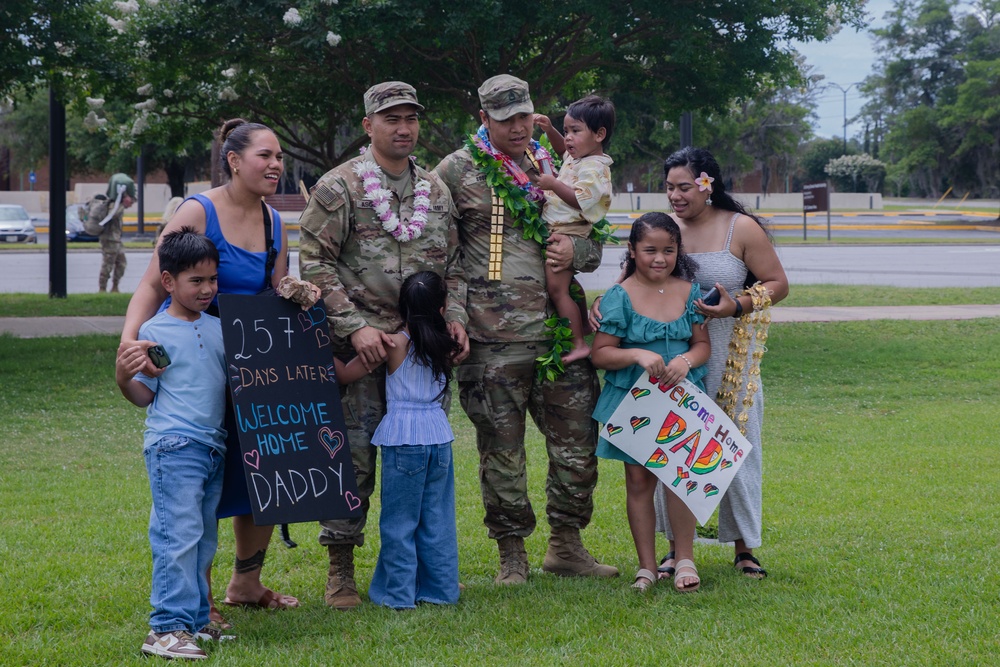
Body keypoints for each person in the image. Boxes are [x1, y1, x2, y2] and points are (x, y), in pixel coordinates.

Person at [434, 74, 617, 584]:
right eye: (505, 119)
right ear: (483, 119)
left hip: (560, 334)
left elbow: (591, 233)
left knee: (577, 445)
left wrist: (576, 252)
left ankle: (566, 545)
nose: (518, 128)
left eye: (524, 116)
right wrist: (451, 314)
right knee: (502, 452)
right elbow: (436, 250)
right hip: (489, 339)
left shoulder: (555, 162)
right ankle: (511, 554)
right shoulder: (454, 170)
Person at [119, 118, 298, 626]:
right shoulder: (197, 211)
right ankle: (199, 598)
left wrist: (302, 298)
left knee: (262, 470)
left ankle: (246, 581)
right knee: (201, 481)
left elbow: (278, 289)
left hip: (256, 365)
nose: (276, 165)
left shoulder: (275, 221)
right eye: (265, 155)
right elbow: (155, 283)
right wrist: (132, 341)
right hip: (202, 361)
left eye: (279, 156)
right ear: (234, 160)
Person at [298, 81, 467, 610]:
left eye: (411, 118)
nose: (403, 128)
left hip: (422, 354)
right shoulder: (339, 187)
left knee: (417, 463)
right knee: (352, 458)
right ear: (368, 125)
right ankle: (341, 570)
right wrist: (354, 327)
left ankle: (420, 570)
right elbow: (314, 263)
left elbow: (455, 267)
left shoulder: (436, 191)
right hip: (361, 351)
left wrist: (454, 319)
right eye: (390, 118)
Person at [593, 147, 789, 580]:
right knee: (670, 448)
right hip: (673, 360)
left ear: (708, 183)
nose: (676, 196)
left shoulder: (741, 228)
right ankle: (675, 551)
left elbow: (778, 284)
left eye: (684, 187)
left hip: (726, 352)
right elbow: (634, 278)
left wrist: (737, 304)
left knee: (733, 445)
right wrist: (599, 305)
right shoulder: (666, 230)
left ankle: (744, 547)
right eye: (669, 188)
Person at [115, 228, 228, 660]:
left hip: (213, 447)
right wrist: (125, 376)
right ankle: (164, 629)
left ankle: (196, 622)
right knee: (176, 536)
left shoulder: (219, 328)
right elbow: (144, 395)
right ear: (168, 282)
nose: (206, 289)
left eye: (212, 280)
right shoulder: (153, 332)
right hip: (175, 446)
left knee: (203, 539)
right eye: (195, 281)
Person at [590, 213, 710, 593]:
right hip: (634, 402)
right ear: (632, 250)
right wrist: (637, 354)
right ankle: (645, 565)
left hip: (680, 398)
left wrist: (685, 360)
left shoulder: (691, 292)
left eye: (669, 250)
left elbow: (702, 345)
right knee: (639, 480)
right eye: (650, 250)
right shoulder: (619, 296)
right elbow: (601, 354)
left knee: (681, 478)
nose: (660, 258)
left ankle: (685, 558)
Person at [368, 271, 463, 610]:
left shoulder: (392, 344)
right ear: (443, 309)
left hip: (403, 439)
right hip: (438, 437)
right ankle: (440, 591)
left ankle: (398, 595)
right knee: (437, 518)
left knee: (399, 522)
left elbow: (347, 372)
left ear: (402, 307)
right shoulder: (447, 347)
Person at [534, 95, 616, 364]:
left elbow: (581, 201)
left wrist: (553, 184)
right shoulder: (579, 156)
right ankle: (583, 324)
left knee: (557, 289)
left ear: (599, 134)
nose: (568, 138)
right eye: (566, 130)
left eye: (575, 131)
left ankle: (579, 342)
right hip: (563, 228)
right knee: (568, 284)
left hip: (569, 231)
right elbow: (562, 151)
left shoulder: (594, 168)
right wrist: (550, 130)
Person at [91, 173, 136, 292]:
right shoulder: (113, 205)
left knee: (122, 263)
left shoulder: (118, 205)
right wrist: (122, 203)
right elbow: (113, 215)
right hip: (109, 240)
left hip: (117, 240)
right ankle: (102, 288)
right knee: (107, 265)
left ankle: (115, 287)